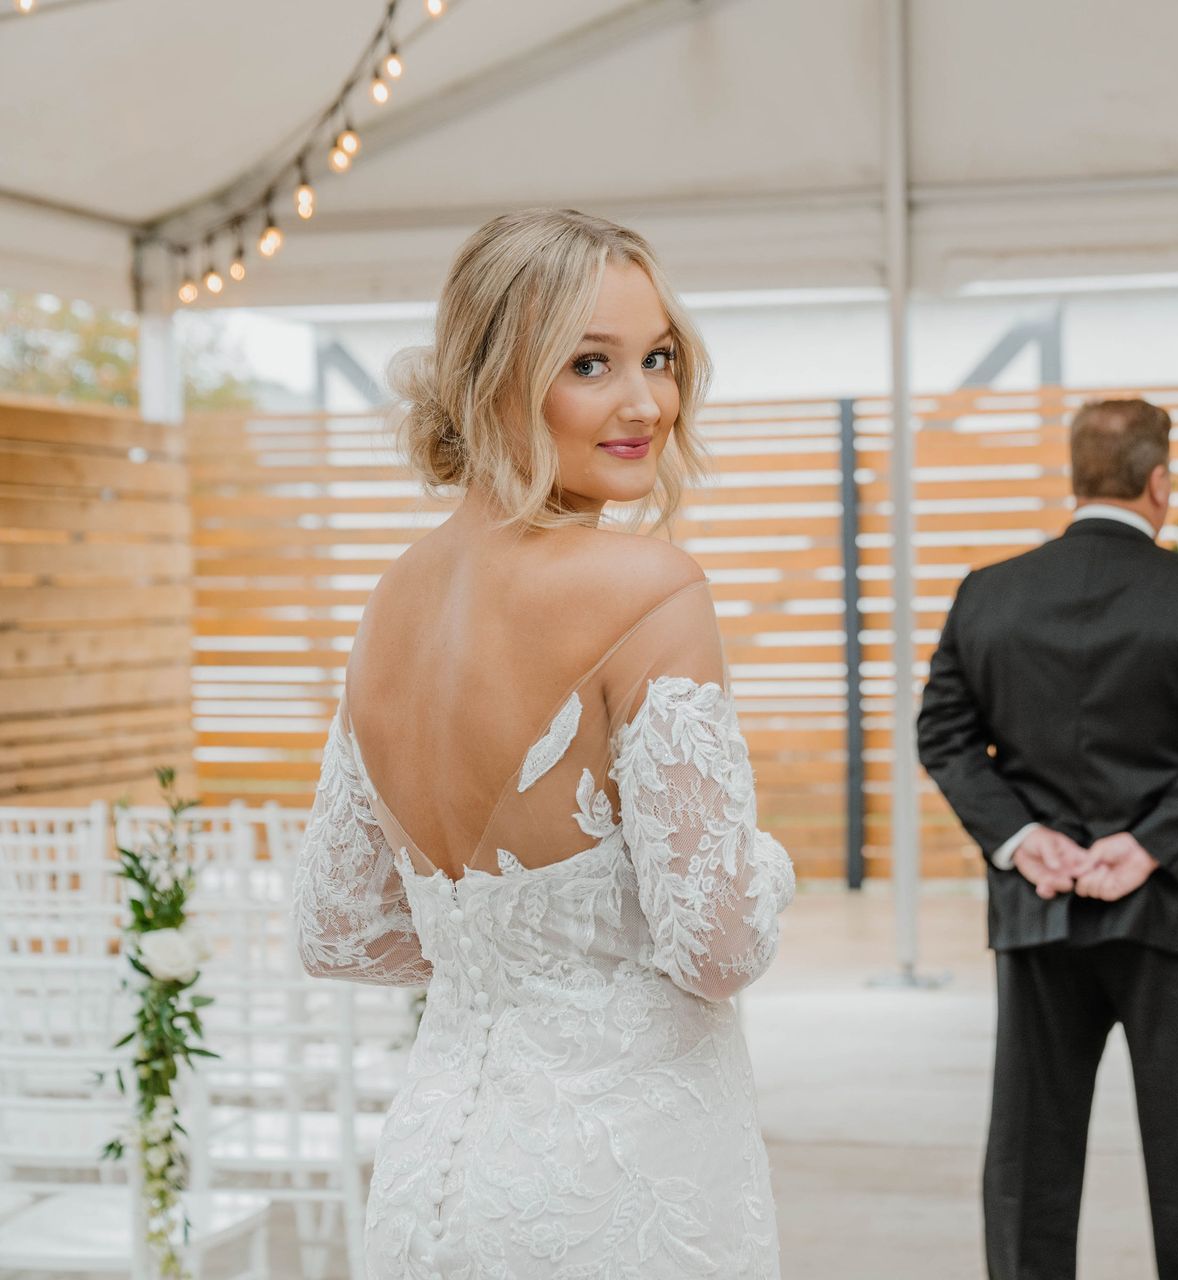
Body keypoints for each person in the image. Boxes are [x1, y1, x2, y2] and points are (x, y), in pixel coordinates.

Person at [291, 208, 794, 1280]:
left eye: (658, 356)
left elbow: (338, 928)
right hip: (624, 1190)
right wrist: (768, 866)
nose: (645, 401)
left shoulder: (391, 599)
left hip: (432, 1181)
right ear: (497, 379)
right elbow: (716, 944)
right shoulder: (649, 588)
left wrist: (502, 961)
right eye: (589, 363)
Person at [918, 397, 1178, 1280]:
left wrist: (1021, 840)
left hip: (1038, 909)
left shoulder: (989, 594)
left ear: (1077, 477)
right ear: (1159, 482)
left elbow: (943, 734)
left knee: (1029, 1163)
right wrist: (1150, 844)